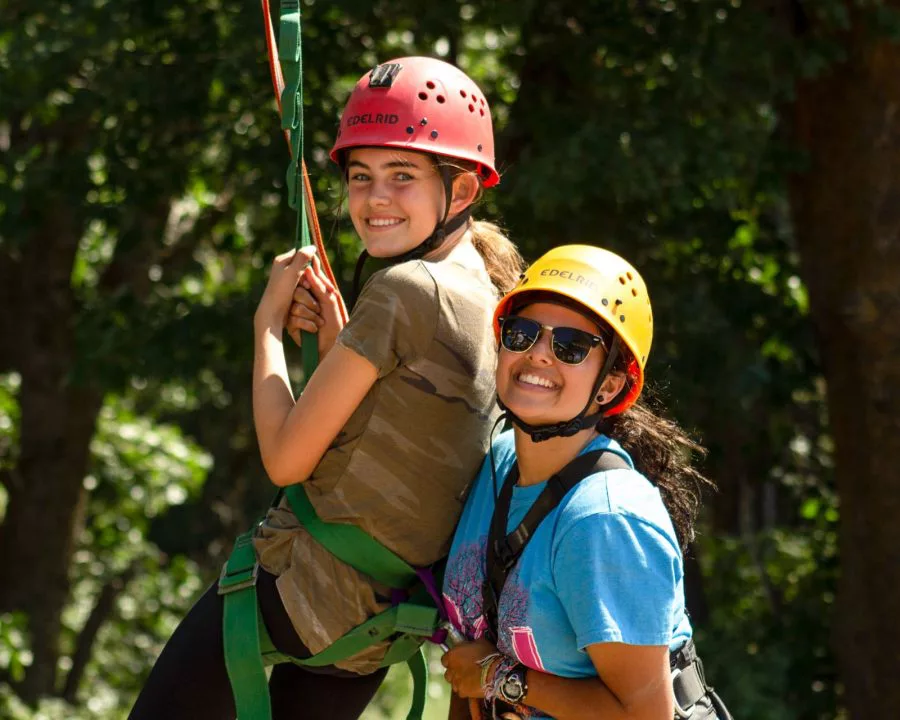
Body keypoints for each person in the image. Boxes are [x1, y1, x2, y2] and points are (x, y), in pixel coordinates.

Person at [130, 56, 523, 720]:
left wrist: (266, 331)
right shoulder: (489, 291)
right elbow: (407, 422)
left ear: (459, 193)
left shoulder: (404, 288)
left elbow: (286, 458)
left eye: (403, 177)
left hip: (296, 589)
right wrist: (347, 345)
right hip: (375, 626)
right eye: (361, 176)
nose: (374, 200)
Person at [440, 245, 731, 720]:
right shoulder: (499, 463)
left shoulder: (605, 518)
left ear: (610, 385)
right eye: (522, 333)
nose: (537, 355)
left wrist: (498, 677)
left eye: (570, 346)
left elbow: (645, 716)